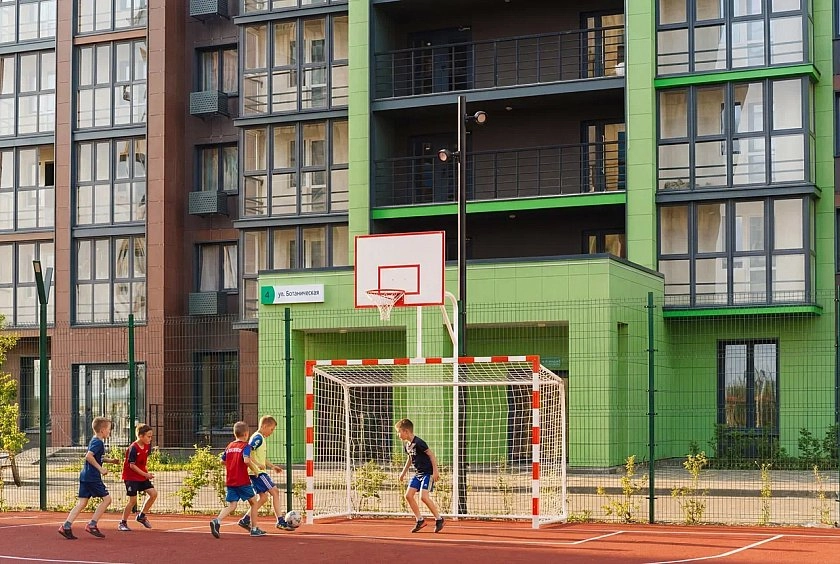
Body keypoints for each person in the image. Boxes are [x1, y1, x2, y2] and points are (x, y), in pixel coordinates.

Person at [58, 417, 119, 539]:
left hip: (85, 475)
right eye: (108, 429)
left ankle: (66, 526)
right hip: (92, 477)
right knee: (107, 500)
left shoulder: (94, 440)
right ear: (102, 430)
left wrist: (110, 461)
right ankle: (92, 524)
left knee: (82, 503)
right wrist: (100, 469)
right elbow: (89, 456)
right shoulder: (98, 442)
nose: (110, 431)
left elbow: (97, 457)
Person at [210, 421, 268, 538]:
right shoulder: (246, 446)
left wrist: (232, 464)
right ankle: (254, 529)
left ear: (234, 434)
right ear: (246, 434)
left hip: (231, 480)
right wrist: (256, 470)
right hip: (242, 481)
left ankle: (217, 520)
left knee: (232, 505)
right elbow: (246, 460)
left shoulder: (230, 446)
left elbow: (222, 461)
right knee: (254, 503)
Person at [237, 415, 294, 532]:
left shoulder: (260, 438)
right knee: (275, 492)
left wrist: (272, 466)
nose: (272, 432)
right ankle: (280, 521)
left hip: (256, 472)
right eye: (271, 429)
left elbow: (260, 457)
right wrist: (257, 465)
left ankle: (245, 519)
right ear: (264, 426)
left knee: (263, 498)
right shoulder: (257, 438)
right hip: (258, 473)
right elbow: (247, 451)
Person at [396, 418, 444, 533]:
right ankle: (420, 520)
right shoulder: (407, 445)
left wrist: (435, 471)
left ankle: (439, 519)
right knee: (408, 495)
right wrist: (403, 473)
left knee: (424, 497)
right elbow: (410, 459)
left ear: (406, 431)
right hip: (418, 473)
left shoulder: (419, 443)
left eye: (399, 432)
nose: (398, 435)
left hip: (428, 473)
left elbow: (431, 455)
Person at [118, 423, 158, 531]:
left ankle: (141, 516)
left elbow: (142, 463)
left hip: (141, 476)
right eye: (148, 436)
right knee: (133, 501)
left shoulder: (146, 446)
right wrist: (145, 474)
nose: (150, 439)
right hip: (131, 477)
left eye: (151, 436)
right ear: (140, 436)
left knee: (153, 494)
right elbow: (132, 465)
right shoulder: (133, 448)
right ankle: (122, 523)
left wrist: (146, 473)